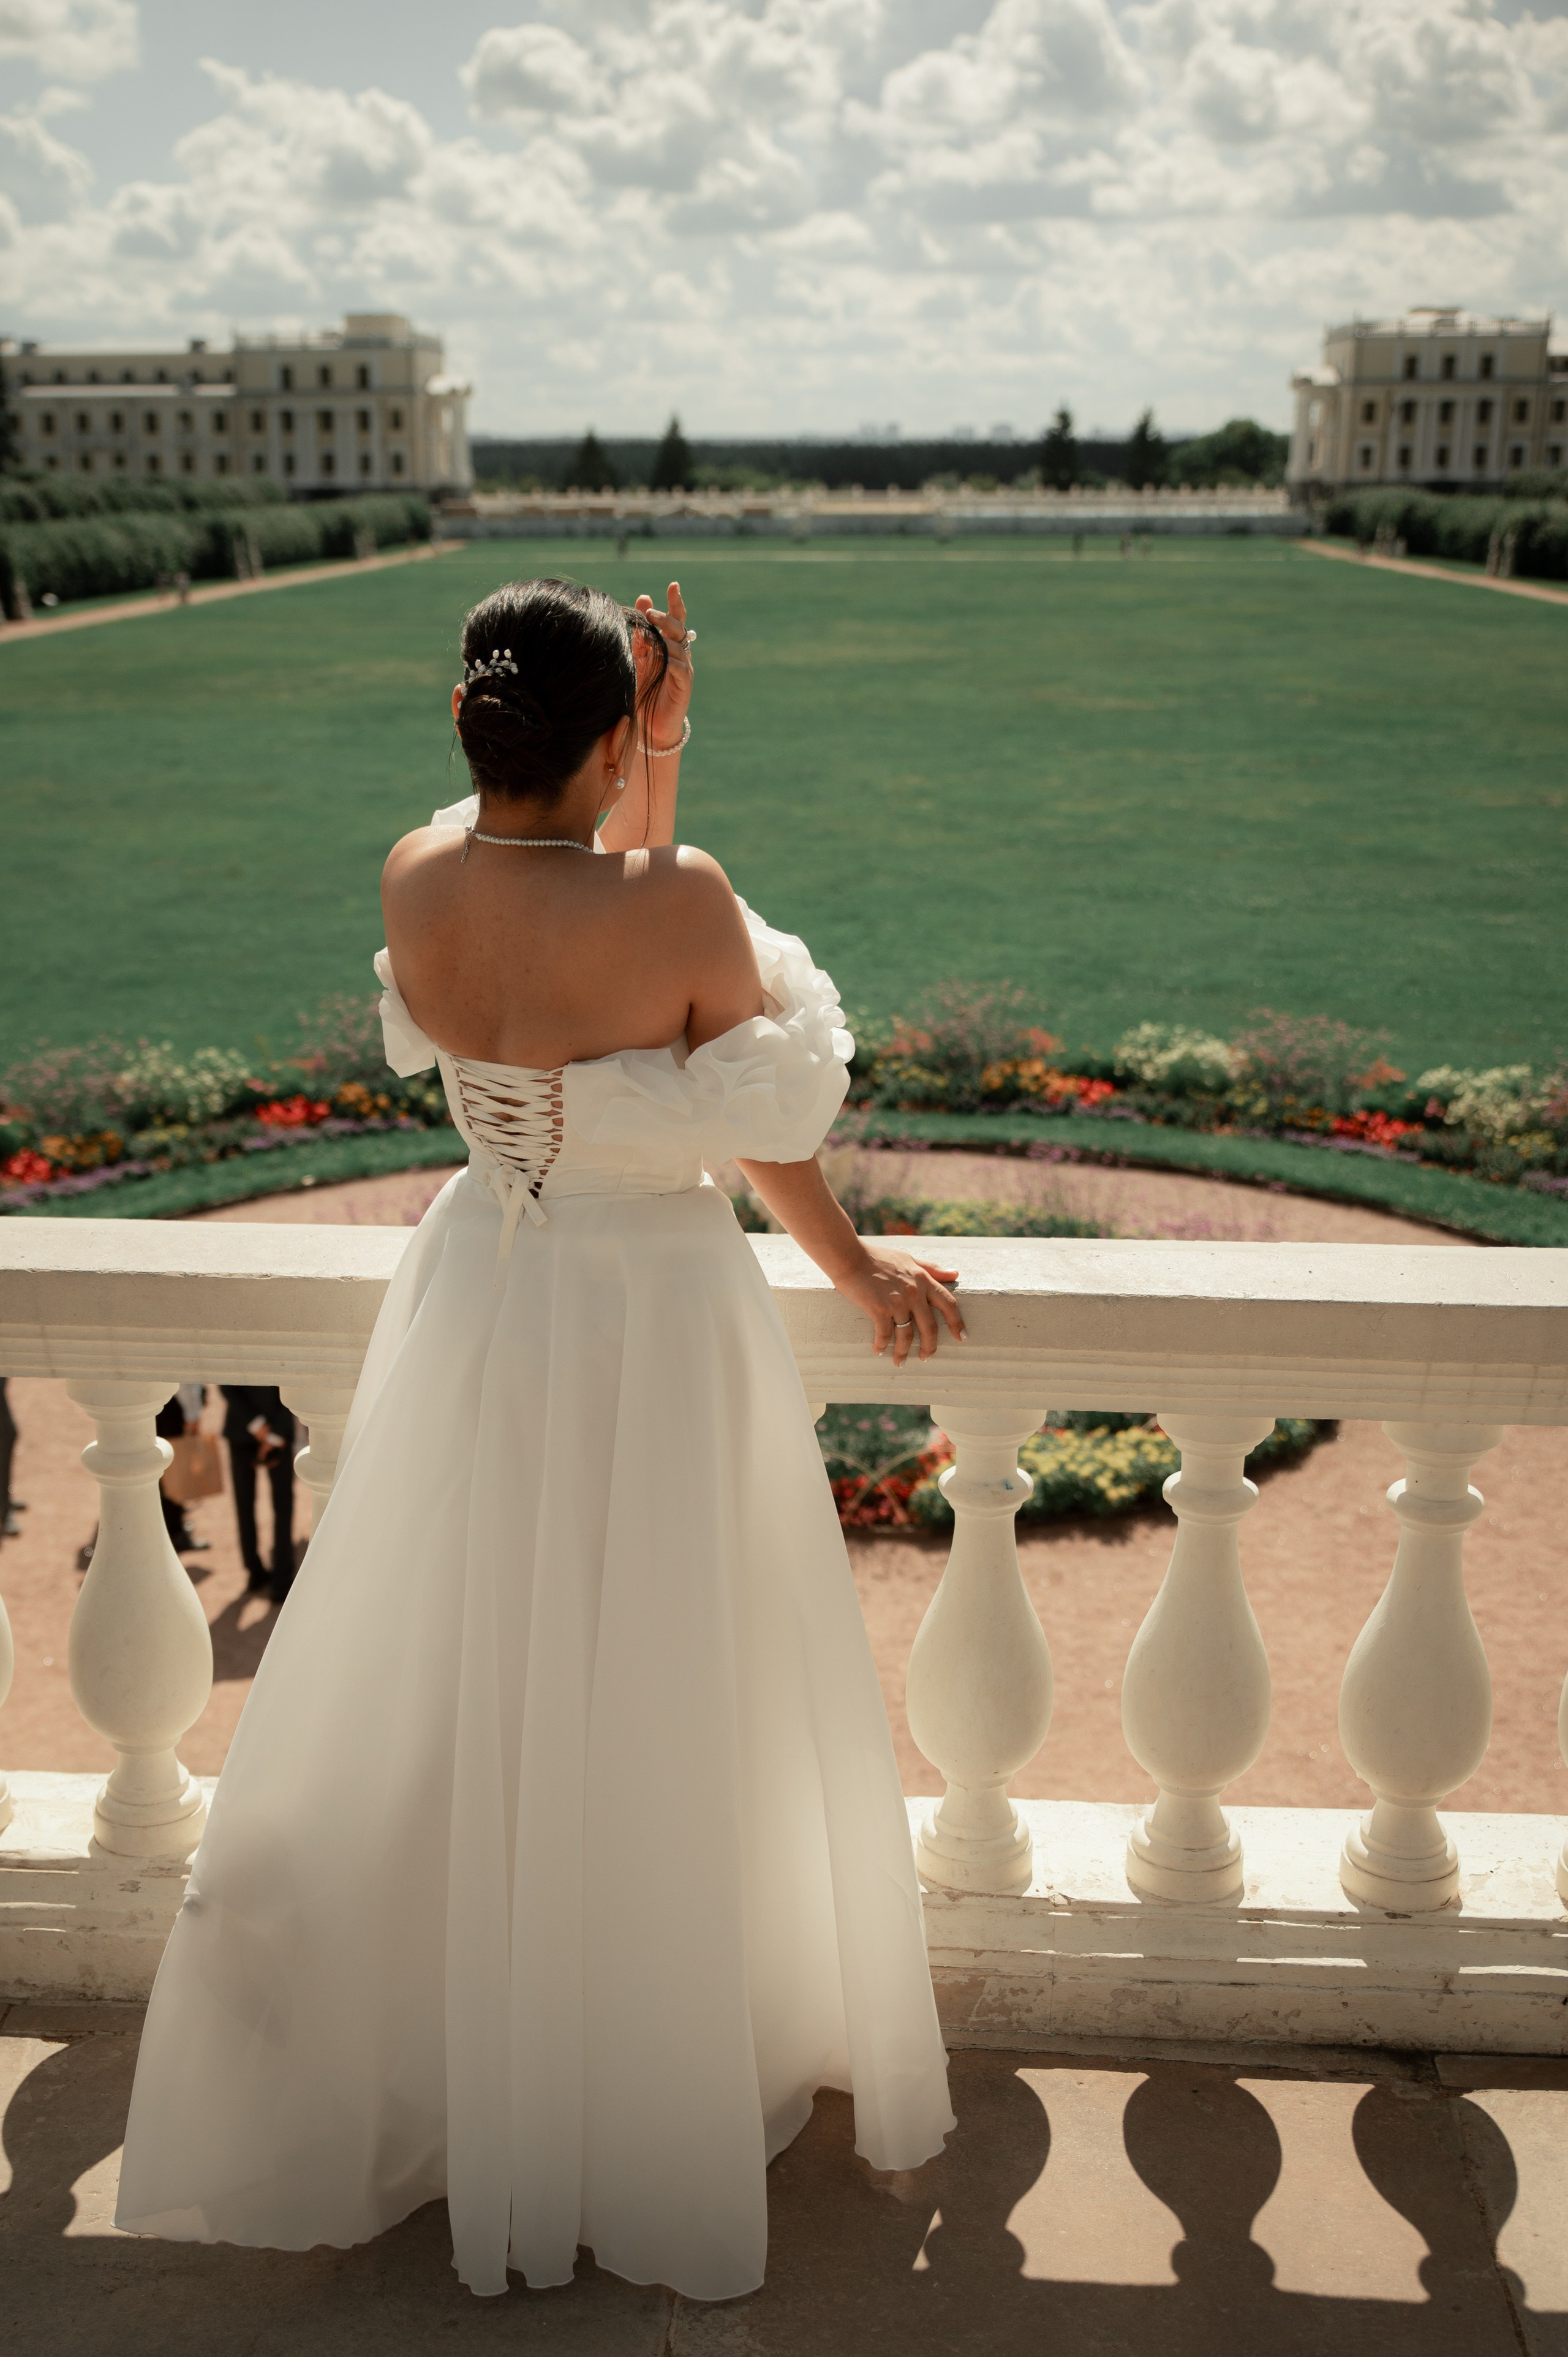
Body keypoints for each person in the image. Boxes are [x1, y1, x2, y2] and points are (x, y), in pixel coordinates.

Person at [116, 575, 960, 2301]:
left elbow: (569, 901)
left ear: (469, 725)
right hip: (650, 1327)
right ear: (596, 740)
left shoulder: (419, 881)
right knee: (651, 1689)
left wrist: (639, 750)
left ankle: (487, 2064)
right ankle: (631, 2079)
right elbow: (743, 1110)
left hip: (489, 1311)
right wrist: (862, 1267)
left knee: (479, 1684)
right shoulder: (686, 901)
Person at [218, 1385, 296, 1600]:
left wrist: (265, 1431)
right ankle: (262, 1572)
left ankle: (277, 1576)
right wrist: (270, 1432)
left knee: (271, 1504)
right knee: (263, 1504)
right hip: (261, 1428)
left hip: (248, 1426)